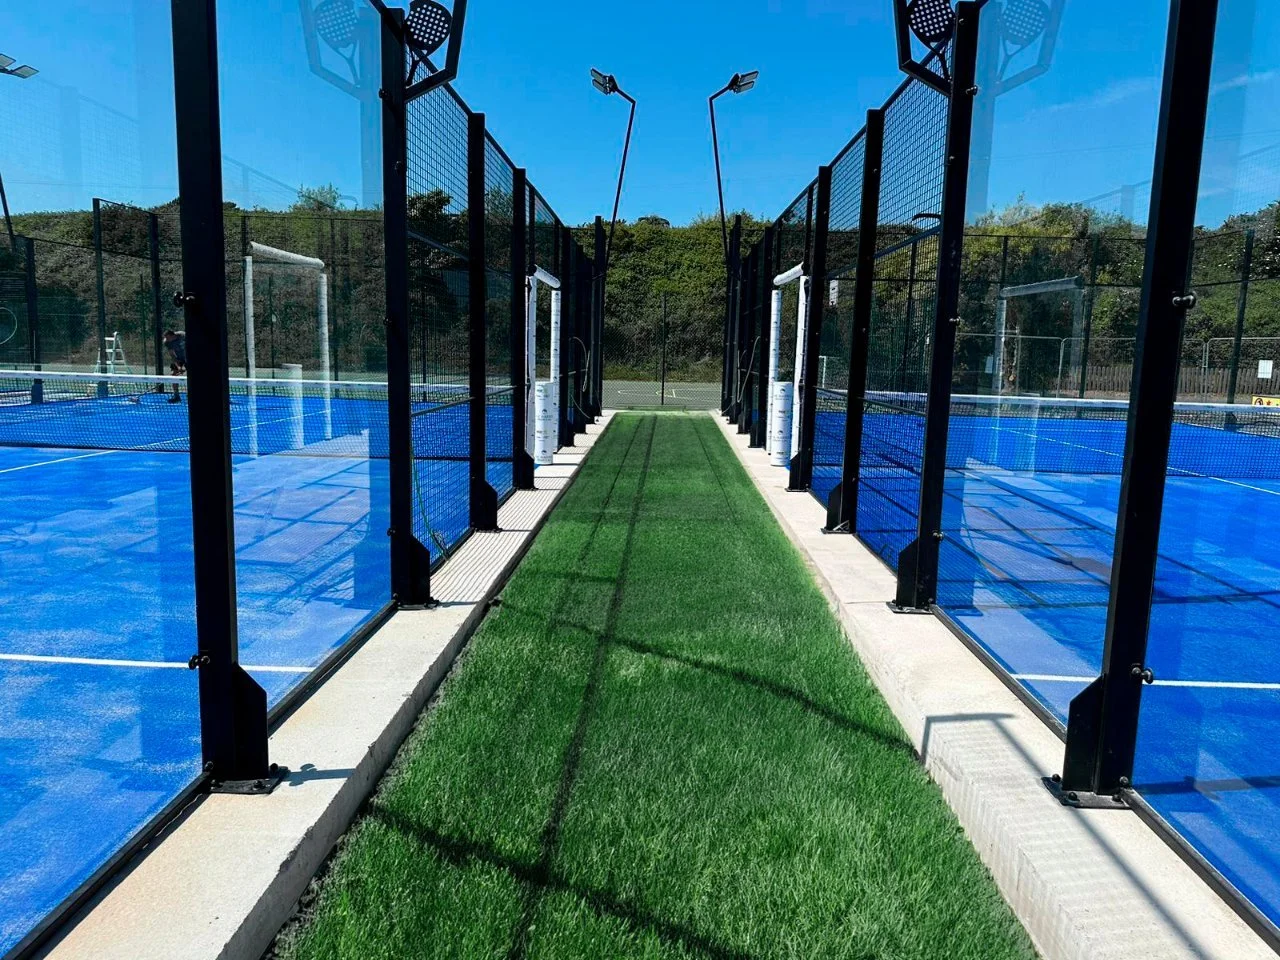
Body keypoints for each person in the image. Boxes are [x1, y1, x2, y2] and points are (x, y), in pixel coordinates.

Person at [163, 329, 187, 403]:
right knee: (173, 375)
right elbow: (172, 355)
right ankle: (176, 396)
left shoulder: (183, 336)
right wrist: (179, 367)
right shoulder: (167, 342)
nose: (166, 339)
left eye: (168, 337)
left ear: (172, 335)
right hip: (179, 359)